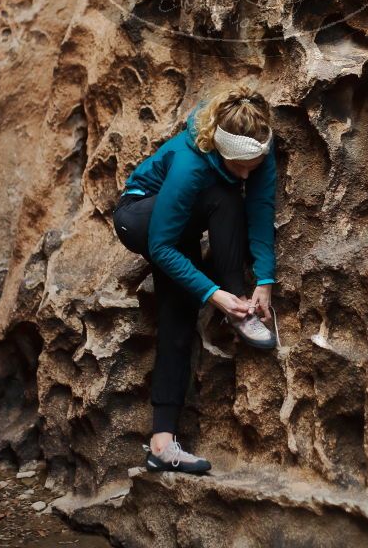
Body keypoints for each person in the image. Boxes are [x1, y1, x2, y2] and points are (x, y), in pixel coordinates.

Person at [112, 84, 280, 475]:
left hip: (183, 224)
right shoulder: (191, 164)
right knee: (224, 195)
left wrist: (266, 278)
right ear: (220, 147)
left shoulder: (257, 150)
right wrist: (213, 293)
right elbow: (160, 245)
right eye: (237, 164)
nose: (245, 173)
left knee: (179, 317)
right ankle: (232, 303)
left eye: (251, 166)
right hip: (140, 218)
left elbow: (260, 208)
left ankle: (161, 445)